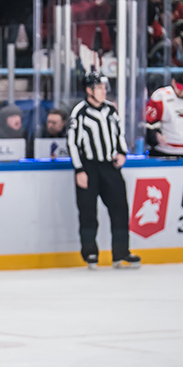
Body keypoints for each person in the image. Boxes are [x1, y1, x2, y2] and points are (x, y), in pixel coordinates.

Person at [67, 71, 139, 270]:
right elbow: (72, 143)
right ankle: (90, 252)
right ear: (89, 90)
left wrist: (122, 152)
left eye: (104, 87)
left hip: (110, 166)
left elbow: (119, 133)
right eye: (99, 88)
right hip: (88, 167)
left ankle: (121, 252)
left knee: (120, 209)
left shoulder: (111, 110)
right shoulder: (79, 112)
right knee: (88, 211)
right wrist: (79, 169)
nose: (103, 91)